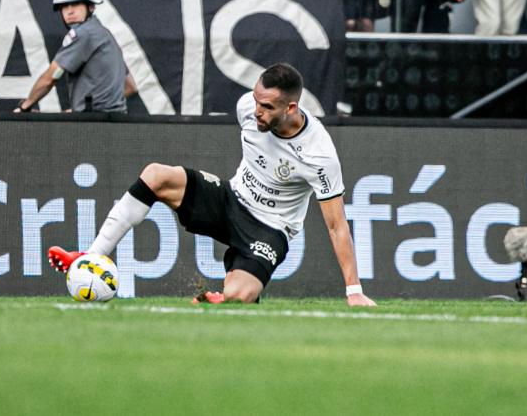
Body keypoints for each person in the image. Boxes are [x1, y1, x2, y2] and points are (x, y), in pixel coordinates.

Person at [47, 63, 377, 307]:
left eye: (268, 107)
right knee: (157, 175)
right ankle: (89, 257)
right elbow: (253, 108)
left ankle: (225, 296)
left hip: (268, 229)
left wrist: (354, 290)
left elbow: (336, 227)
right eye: (257, 100)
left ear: (291, 108)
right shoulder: (248, 107)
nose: (257, 111)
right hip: (229, 200)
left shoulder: (319, 154)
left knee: (240, 295)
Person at [14, 0, 134, 114]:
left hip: (93, 128)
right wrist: (82, 110)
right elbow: (130, 86)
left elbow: (49, 79)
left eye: (76, 4)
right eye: (64, 6)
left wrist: (24, 107)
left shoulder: (83, 33)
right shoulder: (104, 35)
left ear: (91, 7)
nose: (69, 11)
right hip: (116, 125)